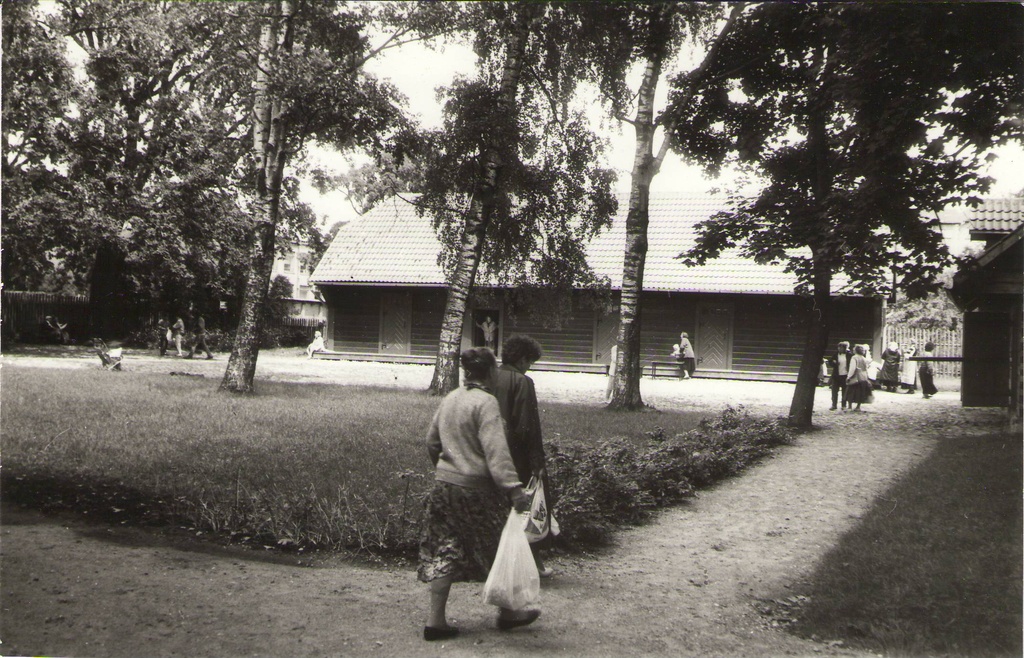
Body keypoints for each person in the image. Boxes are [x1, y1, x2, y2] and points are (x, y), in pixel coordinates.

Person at [418, 347, 538, 641]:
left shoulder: (451, 399)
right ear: (491, 372)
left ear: (465, 372)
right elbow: (496, 453)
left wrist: (447, 469)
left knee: (445, 547)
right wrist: (514, 490)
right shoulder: (486, 403)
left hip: (444, 487)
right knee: (497, 545)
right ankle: (509, 614)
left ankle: (435, 622)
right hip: (476, 490)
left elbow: (432, 441)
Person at [491, 334, 554, 578]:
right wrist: (537, 462)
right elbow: (527, 427)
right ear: (521, 359)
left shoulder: (490, 377)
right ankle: (531, 563)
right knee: (528, 509)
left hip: (490, 452)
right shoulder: (522, 382)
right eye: (529, 361)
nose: (529, 367)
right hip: (516, 456)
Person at [844, 344, 874, 411]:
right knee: (861, 392)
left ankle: (849, 406)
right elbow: (866, 368)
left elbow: (852, 368)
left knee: (851, 391)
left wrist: (849, 376)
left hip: (856, 376)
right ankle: (858, 406)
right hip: (863, 376)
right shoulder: (864, 358)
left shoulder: (854, 358)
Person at [828, 341, 852, 410]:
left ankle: (843, 405)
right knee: (834, 391)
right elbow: (830, 362)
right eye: (839, 347)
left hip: (845, 375)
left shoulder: (849, 355)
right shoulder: (835, 354)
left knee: (844, 391)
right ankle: (834, 405)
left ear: (845, 348)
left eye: (842, 348)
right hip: (836, 375)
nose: (840, 349)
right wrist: (834, 363)